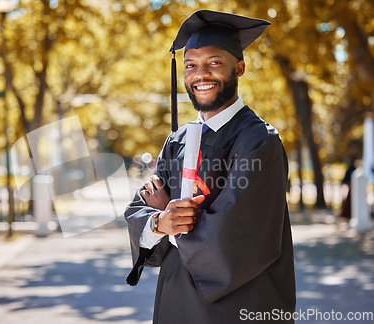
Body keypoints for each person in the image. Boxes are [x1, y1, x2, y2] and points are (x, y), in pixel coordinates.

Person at [124, 10, 296, 323]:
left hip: (240, 304)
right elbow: (141, 207)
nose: (200, 74)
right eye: (190, 65)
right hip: (176, 300)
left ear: (239, 68)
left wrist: (169, 224)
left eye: (214, 62)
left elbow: (236, 233)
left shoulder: (259, 140)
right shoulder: (178, 140)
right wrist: (161, 222)